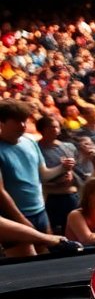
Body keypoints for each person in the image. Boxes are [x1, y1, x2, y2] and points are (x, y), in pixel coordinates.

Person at [0, 99, 72, 241]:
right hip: (14, 217)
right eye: (17, 122)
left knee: (48, 251)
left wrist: (62, 168)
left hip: (40, 211)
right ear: (2, 123)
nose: (22, 125)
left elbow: (43, 175)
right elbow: (1, 192)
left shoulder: (30, 141)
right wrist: (21, 220)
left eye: (24, 121)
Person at [36, 116, 78, 236]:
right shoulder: (36, 149)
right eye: (51, 127)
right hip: (49, 197)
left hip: (70, 195)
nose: (55, 130)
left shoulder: (69, 147)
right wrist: (55, 180)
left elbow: (77, 169)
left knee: (71, 230)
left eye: (57, 127)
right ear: (42, 129)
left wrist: (70, 173)